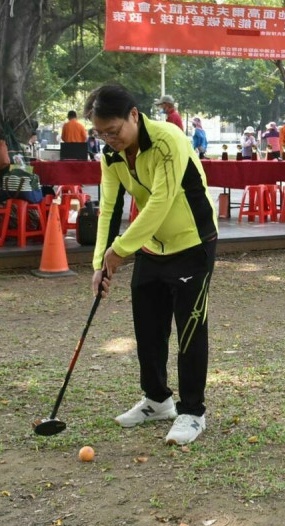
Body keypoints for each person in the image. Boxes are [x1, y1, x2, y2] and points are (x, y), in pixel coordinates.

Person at [85, 84, 218, 446]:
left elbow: (161, 201)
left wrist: (120, 251)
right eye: (100, 133)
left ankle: (192, 411)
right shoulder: (111, 156)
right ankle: (157, 400)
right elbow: (110, 208)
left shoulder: (167, 139)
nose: (109, 139)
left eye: (113, 131)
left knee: (189, 330)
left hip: (193, 242)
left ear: (133, 114)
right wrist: (101, 262)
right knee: (147, 326)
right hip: (150, 246)